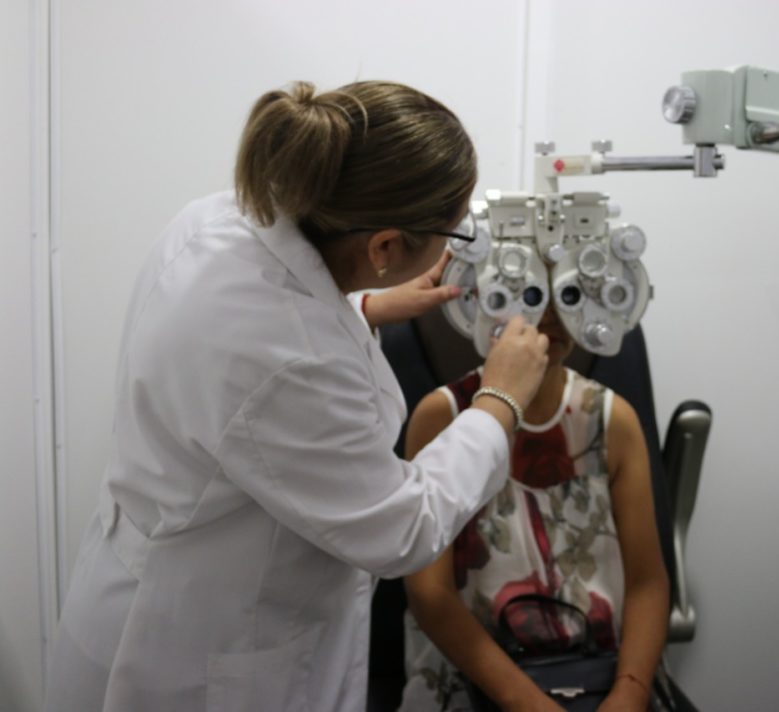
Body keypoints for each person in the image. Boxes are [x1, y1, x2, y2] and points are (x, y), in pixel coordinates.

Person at [44, 80, 548, 712]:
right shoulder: (293, 360)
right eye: (453, 232)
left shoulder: (215, 219)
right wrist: (500, 398)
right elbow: (402, 526)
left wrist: (362, 307)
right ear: (385, 247)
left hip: (143, 584)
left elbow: (258, 344)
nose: (454, 246)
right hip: (204, 657)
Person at [399, 308, 670, 712]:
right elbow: (429, 593)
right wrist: (528, 703)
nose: (552, 316)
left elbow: (647, 582)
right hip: (471, 683)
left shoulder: (614, 421)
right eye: (532, 296)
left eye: (568, 297)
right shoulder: (441, 418)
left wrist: (630, 692)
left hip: (600, 677)